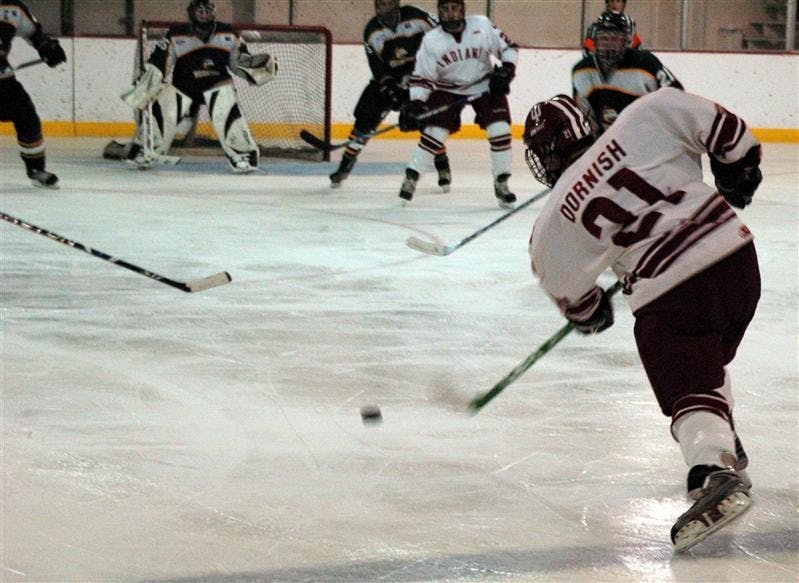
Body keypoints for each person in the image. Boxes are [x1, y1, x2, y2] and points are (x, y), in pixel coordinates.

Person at [523, 88, 763, 552]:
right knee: (703, 361)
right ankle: (722, 438)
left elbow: (577, 301)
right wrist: (738, 169)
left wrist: (593, 312)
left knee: (687, 382)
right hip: (738, 262)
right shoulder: (646, 115)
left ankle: (712, 470)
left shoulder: (552, 220)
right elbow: (728, 133)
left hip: (673, 291)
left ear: (546, 158)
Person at [119, 0, 276, 172]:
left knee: (225, 100)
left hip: (217, 84)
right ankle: (146, 148)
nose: (203, 15)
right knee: (165, 99)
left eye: (207, 11)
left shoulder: (229, 34)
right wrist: (148, 83)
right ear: (191, 13)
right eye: (200, 11)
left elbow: (239, 63)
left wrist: (256, 67)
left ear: (214, 13)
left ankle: (242, 152)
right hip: (184, 86)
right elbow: (159, 64)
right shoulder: (176, 34)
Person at [397, 0, 518, 208]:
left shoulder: (481, 24)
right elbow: (422, 77)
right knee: (435, 133)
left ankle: (501, 182)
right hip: (448, 87)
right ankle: (412, 176)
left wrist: (506, 71)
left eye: (455, 9)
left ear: (462, 10)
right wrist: (416, 103)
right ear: (439, 12)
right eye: (445, 9)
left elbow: (508, 48)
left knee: (500, 130)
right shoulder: (432, 40)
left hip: (484, 84)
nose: (450, 14)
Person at [330, 0, 448, 190]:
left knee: (425, 121)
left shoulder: (416, 16)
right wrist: (389, 86)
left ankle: (443, 164)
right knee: (364, 120)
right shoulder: (372, 31)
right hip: (390, 79)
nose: (387, 8)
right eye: (382, 4)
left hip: (418, 76)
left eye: (390, 3)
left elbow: (443, 34)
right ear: (377, 7)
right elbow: (376, 65)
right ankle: (344, 167)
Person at [573, 10, 681, 136]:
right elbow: (584, 119)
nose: (609, 44)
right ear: (595, 41)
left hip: (647, 142)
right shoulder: (581, 71)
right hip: (607, 148)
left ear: (626, 41)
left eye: (614, 39)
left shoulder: (646, 63)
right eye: (604, 38)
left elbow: (676, 96)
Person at [0, 0, 67, 188]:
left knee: (27, 116)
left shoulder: (12, 8)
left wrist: (46, 47)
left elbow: (34, 33)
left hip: (3, 81)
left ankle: (36, 169)